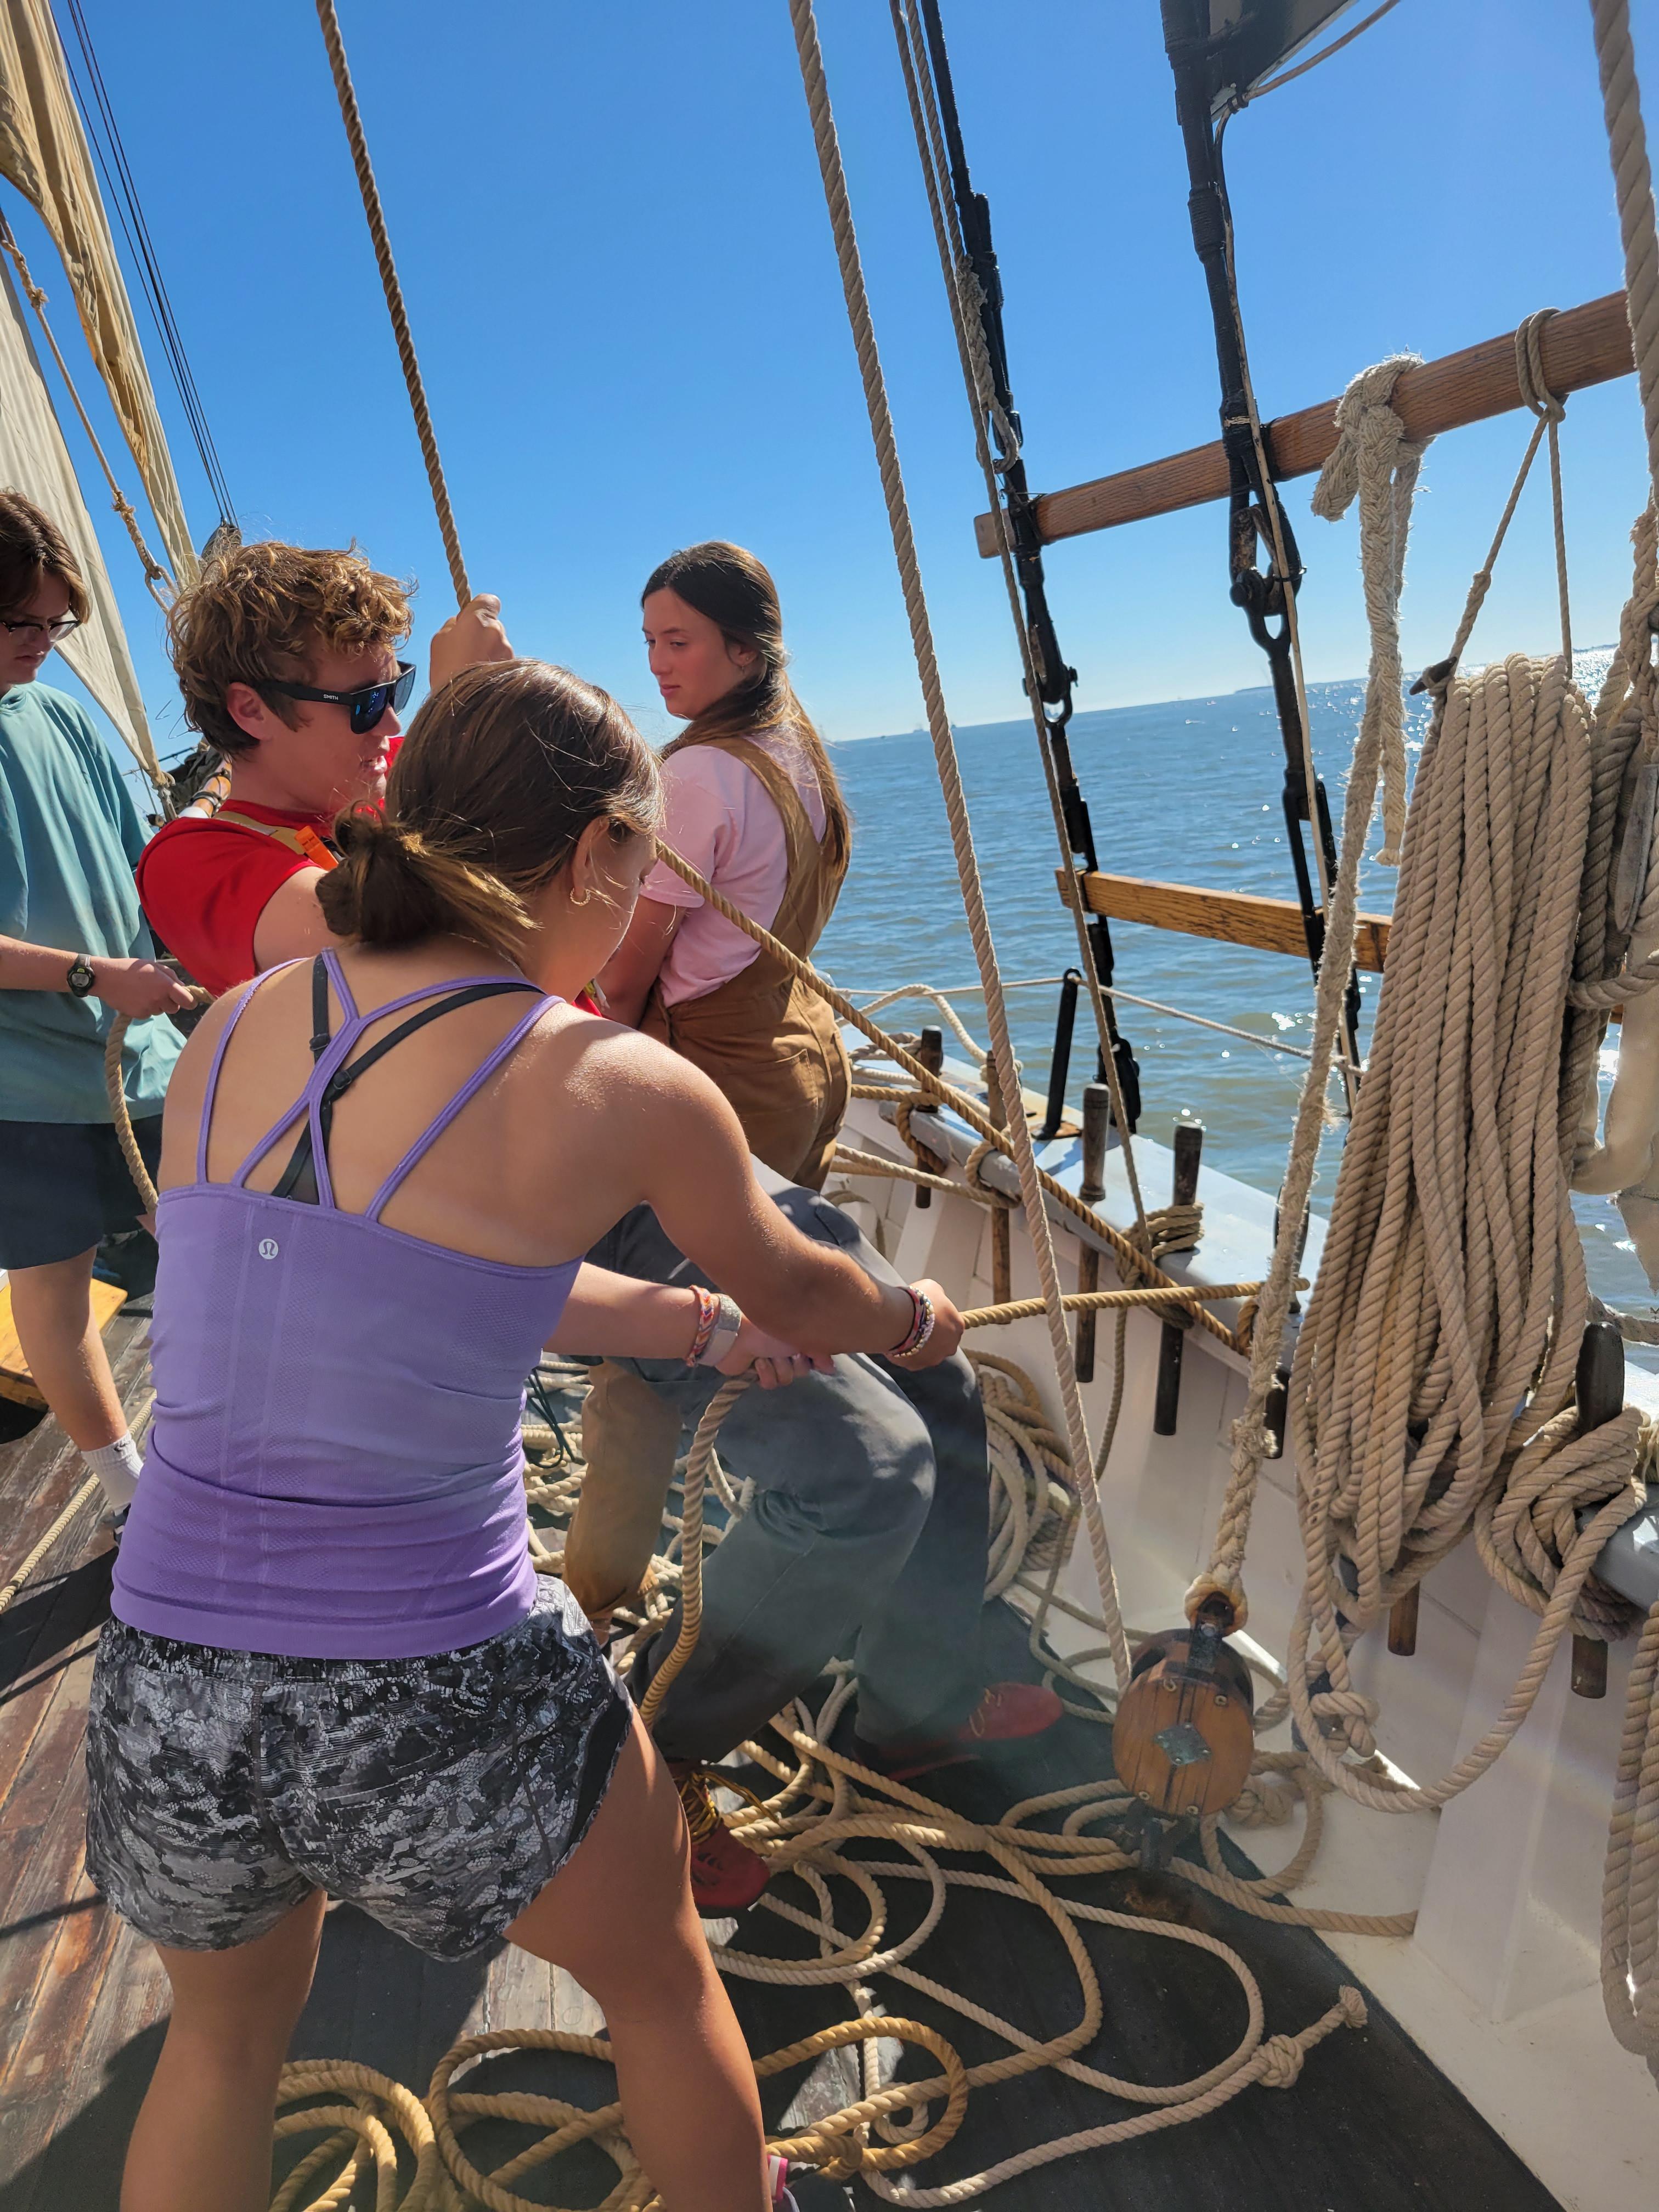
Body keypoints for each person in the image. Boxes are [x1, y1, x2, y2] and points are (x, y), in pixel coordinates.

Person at [86, 657, 964, 2212]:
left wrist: (689, 1328)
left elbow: (435, 1273)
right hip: (440, 1688)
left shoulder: (238, 1027)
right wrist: (907, 1319)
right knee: (660, 1985)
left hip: (169, 1684)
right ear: (597, 861)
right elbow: (801, 1282)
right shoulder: (616, 1079)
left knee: (218, 2051)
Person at [0, 490, 193, 1517]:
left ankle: (225, 1451)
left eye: (54, 622)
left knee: (221, 1254)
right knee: (52, 1286)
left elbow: (144, 859)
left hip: (141, 1053)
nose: (43, 643)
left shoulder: (65, 715)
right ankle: (130, 1491)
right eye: (19, 622)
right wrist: (92, 974)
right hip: (21, 1085)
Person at [135, 540, 512, 994]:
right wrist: (465, 714)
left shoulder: (394, 769)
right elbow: (398, 960)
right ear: (253, 711)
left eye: (396, 691)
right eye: (368, 701)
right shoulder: (187, 865)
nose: (392, 723)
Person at [599, 540, 851, 1189]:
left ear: (745, 647)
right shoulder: (796, 749)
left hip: (722, 1081)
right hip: (804, 1058)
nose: (657, 664)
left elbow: (625, 982)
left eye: (679, 643)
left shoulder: (699, 774)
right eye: (650, 641)